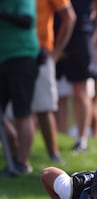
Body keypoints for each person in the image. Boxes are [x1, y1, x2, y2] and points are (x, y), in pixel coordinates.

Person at [55, 0, 97, 152]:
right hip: (54, 32)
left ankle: (81, 140)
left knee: (81, 90)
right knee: (57, 94)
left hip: (80, 33)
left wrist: (94, 30)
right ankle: (58, 139)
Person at [0, 0, 40, 175]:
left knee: (22, 112)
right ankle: (12, 141)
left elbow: (27, 21)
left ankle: (21, 163)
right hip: (2, 59)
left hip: (22, 57)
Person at [34, 0, 76, 162]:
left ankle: (54, 153)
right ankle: (16, 158)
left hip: (42, 53)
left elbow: (69, 17)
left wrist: (56, 52)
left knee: (44, 108)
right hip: (12, 52)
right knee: (16, 113)